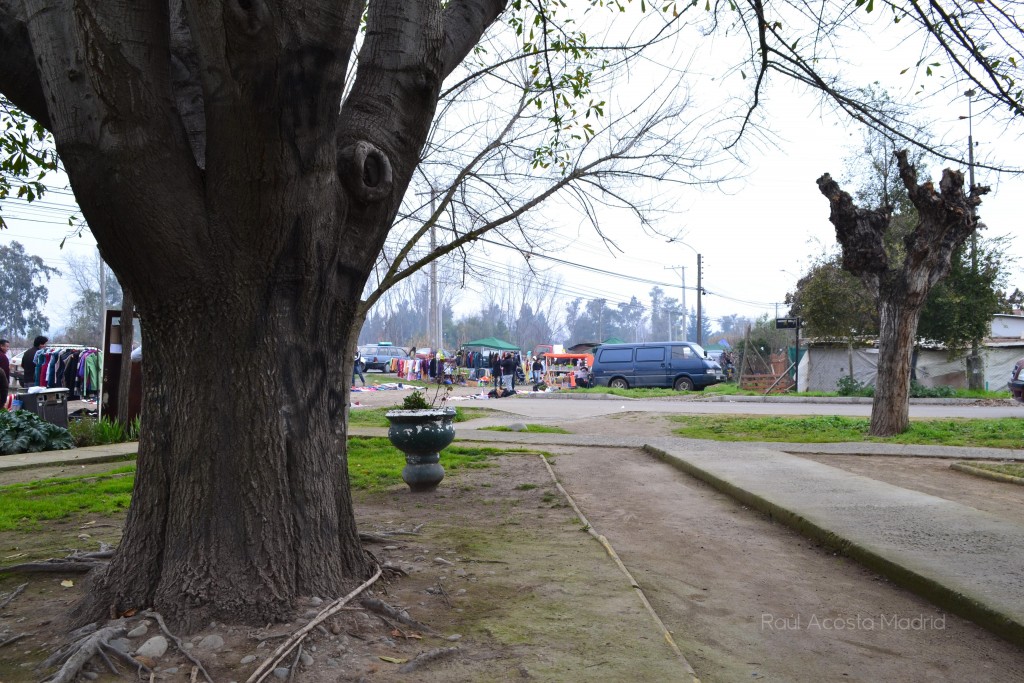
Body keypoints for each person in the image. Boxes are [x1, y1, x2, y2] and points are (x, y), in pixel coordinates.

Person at [0, 339, 9, 410]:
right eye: (7, 346)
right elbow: (4, 385)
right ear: (1, 346)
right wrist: (3, 401)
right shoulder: (3, 357)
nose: (7, 349)